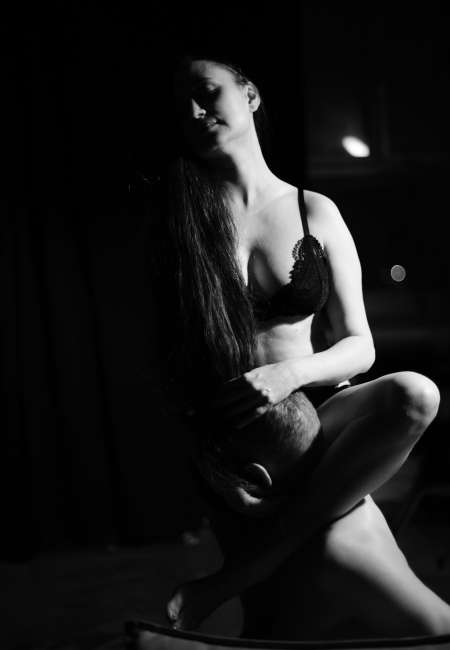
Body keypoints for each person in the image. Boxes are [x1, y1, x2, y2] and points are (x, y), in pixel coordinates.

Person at [148, 53, 450, 639]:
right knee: (295, 619)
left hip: (322, 418)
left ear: (250, 95)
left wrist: (288, 375)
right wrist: (207, 462)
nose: (196, 111)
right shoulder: (179, 223)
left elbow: (360, 346)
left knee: (417, 394)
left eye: (207, 92)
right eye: (182, 106)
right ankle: (249, 582)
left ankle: (234, 578)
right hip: (245, 445)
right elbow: (169, 365)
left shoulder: (314, 211)